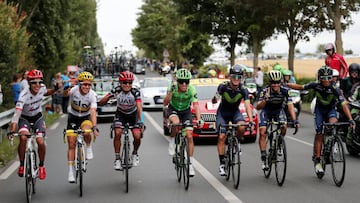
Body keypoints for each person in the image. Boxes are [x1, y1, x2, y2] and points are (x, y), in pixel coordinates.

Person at [287, 66, 354, 175]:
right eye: (324, 78)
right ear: (320, 78)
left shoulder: (335, 89)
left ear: (332, 78)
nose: (326, 80)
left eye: (329, 77)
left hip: (330, 110)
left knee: (333, 125)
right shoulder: (315, 85)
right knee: (319, 133)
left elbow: (344, 105)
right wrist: (286, 85)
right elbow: (300, 87)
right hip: (319, 111)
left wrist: (350, 119)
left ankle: (330, 144)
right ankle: (318, 161)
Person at [8, 69, 58, 180]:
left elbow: (46, 92)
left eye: (39, 82)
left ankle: (41, 166)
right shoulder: (23, 95)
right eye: (34, 82)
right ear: (29, 83)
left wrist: (55, 89)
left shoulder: (42, 88)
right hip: (24, 118)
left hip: (37, 118)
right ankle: (21, 164)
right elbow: (17, 114)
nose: (37, 85)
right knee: (23, 138)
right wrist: (12, 130)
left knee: (40, 141)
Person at [211, 64, 254, 176]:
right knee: (221, 136)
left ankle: (238, 141)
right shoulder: (223, 86)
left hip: (235, 112)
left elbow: (247, 105)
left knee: (242, 126)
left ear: (242, 78)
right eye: (234, 76)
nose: (236, 79)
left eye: (239, 77)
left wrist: (250, 120)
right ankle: (221, 164)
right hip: (222, 113)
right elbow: (215, 100)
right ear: (230, 76)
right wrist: (215, 99)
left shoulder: (243, 90)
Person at [98, 71, 144, 171]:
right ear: (120, 83)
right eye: (125, 82)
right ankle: (117, 158)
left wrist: (141, 121)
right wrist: (108, 97)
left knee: (137, 136)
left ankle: (135, 153)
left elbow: (139, 107)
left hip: (133, 116)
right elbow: (101, 103)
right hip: (121, 115)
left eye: (130, 83)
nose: (127, 85)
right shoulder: (116, 90)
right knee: (118, 133)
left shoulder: (135, 92)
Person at [163, 69, 203, 177]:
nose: (184, 84)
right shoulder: (172, 88)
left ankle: (190, 164)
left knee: (189, 135)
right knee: (176, 123)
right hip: (173, 109)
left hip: (186, 112)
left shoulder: (191, 90)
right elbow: (165, 103)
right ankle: (172, 140)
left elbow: (195, 105)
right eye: (181, 81)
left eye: (186, 81)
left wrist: (199, 119)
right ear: (177, 81)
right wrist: (171, 91)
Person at [256, 70, 298, 170]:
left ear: (281, 82)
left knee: (284, 127)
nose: (276, 85)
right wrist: (265, 99)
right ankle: (263, 157)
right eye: (273, 82)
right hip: (266, 111)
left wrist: (295, 120)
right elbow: (258, 107)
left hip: (278, 111)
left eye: (278, 82)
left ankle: (279, 143)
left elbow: (290, 106)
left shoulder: (285, 90)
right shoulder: (264, 90)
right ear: (270, 82)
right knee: (262, 132)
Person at [63, 71, 99, 183]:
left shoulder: (92, 95)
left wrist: (94, 127)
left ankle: (88, 147)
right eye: (84, 84)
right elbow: (64, 95)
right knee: (71, 144)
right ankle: (70, 172)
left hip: (85, 117)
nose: (87, 87)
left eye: (89, 85)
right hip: (73, 117)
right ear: (79, 84)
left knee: (87, 132)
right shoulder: (74, 90)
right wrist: (67, 87)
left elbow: (93, 111)